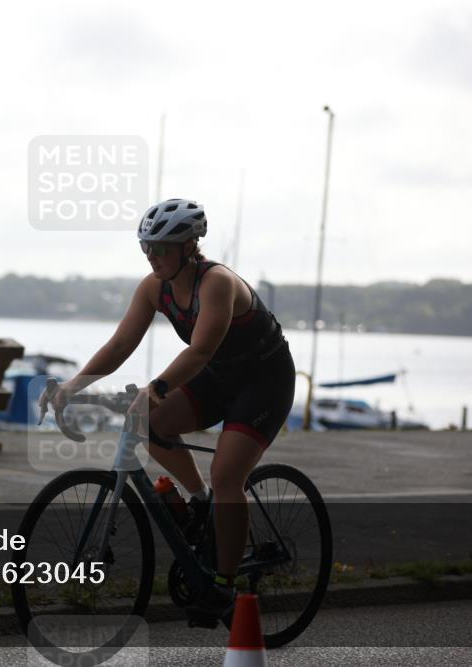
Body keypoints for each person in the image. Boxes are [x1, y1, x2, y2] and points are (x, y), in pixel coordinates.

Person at [45, 198, 296, 621]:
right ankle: (201, 505)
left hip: (264, 381)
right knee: (148, 424)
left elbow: (200, 350)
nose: (152, 256)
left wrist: (157, 386)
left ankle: (223, 587)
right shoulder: (153, 286)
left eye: (161, 248)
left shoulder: (216, 283)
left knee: (227, 476)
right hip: (220, 374)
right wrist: (74, 384)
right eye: (146, 247)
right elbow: (121, 345)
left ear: (189, 246)